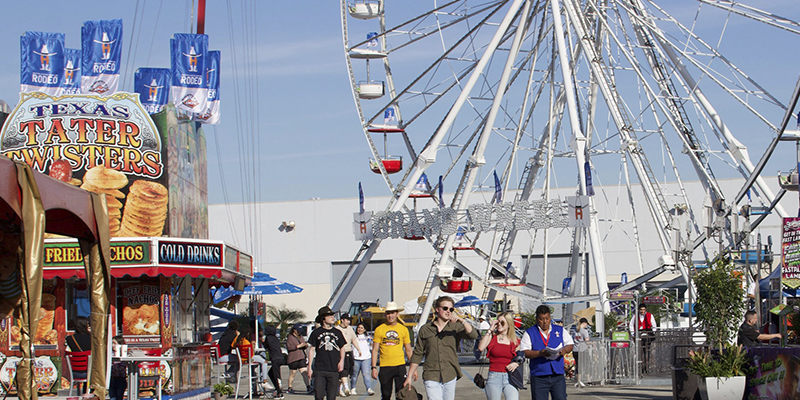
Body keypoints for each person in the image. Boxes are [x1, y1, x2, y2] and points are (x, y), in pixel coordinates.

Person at [405, 296, 478, 400]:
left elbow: (473, 335)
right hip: (431, 374)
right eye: (445, 308)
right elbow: (418, 353)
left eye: (451, 309)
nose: (448, 311)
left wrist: (462, 320)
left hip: (450, 374)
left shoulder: (455, 327)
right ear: (437, 309)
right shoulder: (425, 329)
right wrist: (409, 376)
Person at [520, 305, 574, 400]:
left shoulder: (559, 330)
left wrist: (564, 350)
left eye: (547, 319)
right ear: (537, 318)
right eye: (541, 319)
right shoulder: (529, 332)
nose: (545, 322)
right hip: (539, 376)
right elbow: (525, 352)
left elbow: (570, 344)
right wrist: (539, 353)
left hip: (557, 375)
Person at [371, 301, 413, 400]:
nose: (391, 316)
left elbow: (408, 350)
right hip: (385, 366)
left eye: (393, 313)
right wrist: (373, 367)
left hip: (399, 365)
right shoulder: (379, 329)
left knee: (401, 394)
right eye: (388, 313)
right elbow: (375, 350)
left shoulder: (403, 329)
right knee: (386, 394)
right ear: (385, 314)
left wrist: (413, 368)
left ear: (397, 314)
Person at [477, 312, 521, 400]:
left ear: (509, 324)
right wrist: (490, 329)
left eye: (503, 323)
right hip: (494, 376)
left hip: (510, 376)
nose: (499, 325)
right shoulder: (492, 337)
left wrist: (516, 363)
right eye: (498, 322)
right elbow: (481, 348)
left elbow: (521, 356)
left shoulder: (515, 340)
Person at [308, 306, 346, 400]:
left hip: (333, 369)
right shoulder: (316, 333)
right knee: (319, 395)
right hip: (320, 369)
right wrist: (309, 367)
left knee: (332, 397)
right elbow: (312, 349)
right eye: (329, 316)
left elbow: (342, 348)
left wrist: (341, 361)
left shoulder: (337, 332)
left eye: (332, 315)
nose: (332, 317)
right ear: (323, 318)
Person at [336, 313, 361, 396]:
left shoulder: (350, 329)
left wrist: (358, 349)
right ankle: (346, 387)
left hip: (349, 352)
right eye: (347, 320)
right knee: (343, 371)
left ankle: (340, 389)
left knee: (348, 371)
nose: (348, 322)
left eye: (349, 320)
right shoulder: (337, 329)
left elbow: (353, 339)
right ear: (342, 320)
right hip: (340, 353)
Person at [628, 304, 656, 373]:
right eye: (641, 310)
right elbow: (631, 325)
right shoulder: (635, 316)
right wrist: (633, 334)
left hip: (647, 335)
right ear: (639, 310)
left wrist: (653, 333)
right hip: (639, 336)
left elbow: (654, 325)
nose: (642, 311)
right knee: (640, 352)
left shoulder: (650, 315)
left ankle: (647, 366)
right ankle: (640, 367)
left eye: (643, 310)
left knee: (647, 351)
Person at [286, 324, 313, 394]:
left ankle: (308, 386)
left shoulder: (300, 337)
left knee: (304, 372)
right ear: (294, 330)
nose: (299, 332)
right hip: (293, 358)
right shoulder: (290, 337)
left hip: (301, 357)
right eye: (297, 331)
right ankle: (289, 387)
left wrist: (305, 345)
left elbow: (304, 345)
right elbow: (289, 347)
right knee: (293, 373)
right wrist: (297, 346)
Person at [351, 322, 375, 396]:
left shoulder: (368, 338)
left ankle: (369, 388)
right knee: (354, 374)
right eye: (359, 327)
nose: (360, 329)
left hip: (366, 358)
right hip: (356, 358)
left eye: (361, 328)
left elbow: (371, 347)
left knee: (366, 374)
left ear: (364, 329)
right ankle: (353, 388)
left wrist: (372, 342)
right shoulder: (354, 338)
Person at [264, 325, 286, 399]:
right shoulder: (275, 338)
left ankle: (280, 392)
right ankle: (277, 388)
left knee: (276, 375)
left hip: (275, 358)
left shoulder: (268, 338)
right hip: (280, 357)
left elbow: (265, 346)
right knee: (270, 373)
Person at [572, 318, 590, 388]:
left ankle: (578, 380)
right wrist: (591, 344)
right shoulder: (584, 331)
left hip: (575, 349)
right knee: (585, 365)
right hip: (583, 350)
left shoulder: (575, 331)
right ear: (584, 323)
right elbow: (587, 341)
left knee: (577, 365)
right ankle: (586, 380)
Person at [109, 335, 127, 400]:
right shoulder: (110, 353)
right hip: (112, 377)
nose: (112, 345)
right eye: (112, 343)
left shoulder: (124, 353)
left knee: (119, 394)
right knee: (112, 393)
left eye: (114, 343)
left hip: (121, 377)